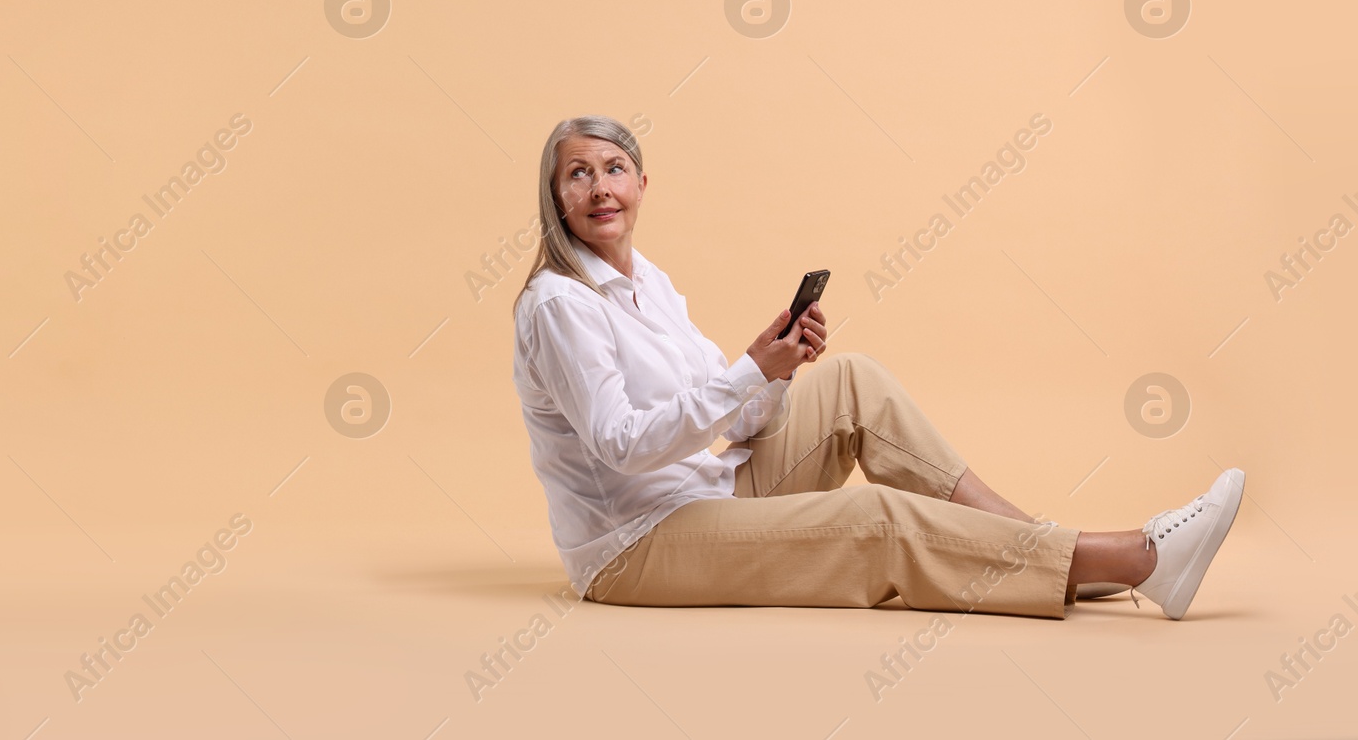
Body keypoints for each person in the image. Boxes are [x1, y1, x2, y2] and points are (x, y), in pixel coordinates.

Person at [510, 115, 1245, 620]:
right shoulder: (559, 304)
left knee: (852, 378)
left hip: (705, 489)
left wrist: (777, 367)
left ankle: (1046, 545)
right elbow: (619, 443)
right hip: (635, 545)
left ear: (642, 185)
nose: (600, 186)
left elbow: (733, 417)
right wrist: (744, 374)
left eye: (615, 168)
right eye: (579, 173)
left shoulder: (650, 280)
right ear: (556, 197)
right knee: (876, 518)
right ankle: (1140, 559)